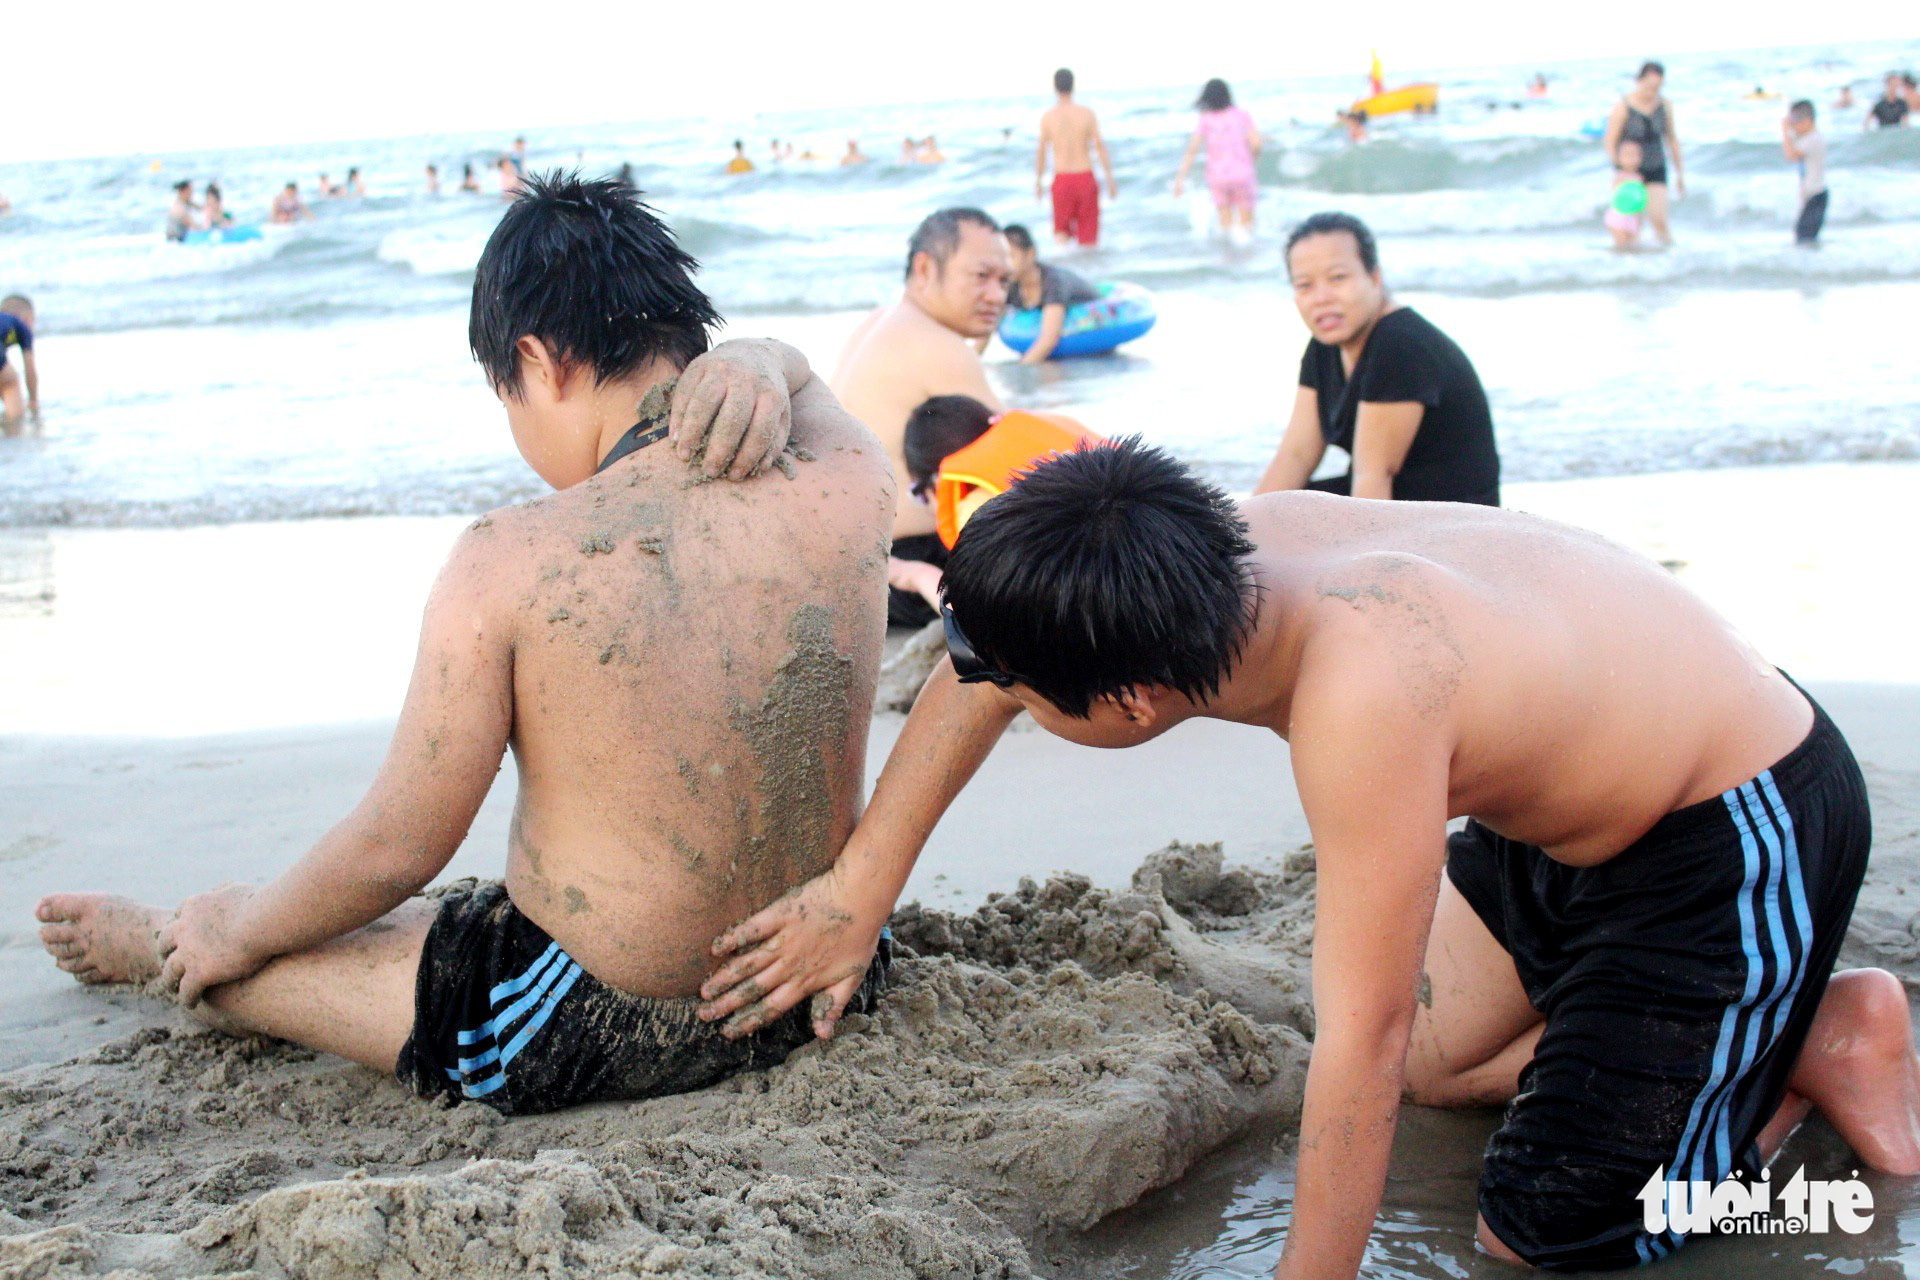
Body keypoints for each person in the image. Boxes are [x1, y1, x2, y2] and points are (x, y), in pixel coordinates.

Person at [697, 436, 1920, 1277]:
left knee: (1542, 1230)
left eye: (1025, 689)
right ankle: (1741, 1036)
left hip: (1732, 828)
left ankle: (1811, 1050)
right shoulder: (1191, 556)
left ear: (1130, 704)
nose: (993, 690)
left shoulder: (1363, 691)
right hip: (1569, 808)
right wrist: (857, 892)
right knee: (1441, 1061)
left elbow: (1357, 1035)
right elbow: (994, 652)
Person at [34, 173, 896, 1118]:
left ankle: (167, 940)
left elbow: (397, 845)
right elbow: (805, 380)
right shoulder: (849, 476)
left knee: (281, 954)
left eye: (507, 398)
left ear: (539, 362)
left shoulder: (512, 560)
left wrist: (241, 931)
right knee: (433, 922)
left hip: (604, 1021)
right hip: (830, 975)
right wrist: (763, 354)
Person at [831, 208, 1009, 628]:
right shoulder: (939, 344)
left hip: (852, 568)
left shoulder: (880, 323)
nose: (997, 296)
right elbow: (1016, 463)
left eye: (1005, 281)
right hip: (907, 565)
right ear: (925, 269)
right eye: (981, 276)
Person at [1255, 213, 1499, 506]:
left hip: (1452, 518)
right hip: (1398, 503)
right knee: (1282, 507)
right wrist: (1231, 529)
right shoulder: (1326, 346)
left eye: (1337, 278)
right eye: (1304, 285)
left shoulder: (1399, 345)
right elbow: (1295, 456)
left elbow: (1373, 476)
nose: (1321, 298)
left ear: (1374, 277)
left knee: (1293, 514)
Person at [890, 395, 1101, 611]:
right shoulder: (1055, 452)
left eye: (919, 495)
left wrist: (918, 575)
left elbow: (974, 617)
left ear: (937, 482)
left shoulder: (976, 512)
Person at [1602, 61, 1685, 245]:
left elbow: (1672, 139)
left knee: (1659, 220)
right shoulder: (1623, 106)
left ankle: (1669, 256)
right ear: (1638, 81)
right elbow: (1610, 140)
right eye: (1649, 86)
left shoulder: (1665, 106)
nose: (1652, 91)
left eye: (1657, 87)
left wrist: (1680, 174)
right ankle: (1634, 260)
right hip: (1630, 172)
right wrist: (1620, 168)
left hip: (1656, 167)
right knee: (1631, 227)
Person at [1173, 78, 1261, 243]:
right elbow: (1256, 143)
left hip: (1217, 176)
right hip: (1242, 173)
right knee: (1247, 227)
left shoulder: (1206, 119)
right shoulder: (1241, 115)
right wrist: (1251, 161)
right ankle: (1248, 255)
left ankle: (1229, 256)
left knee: (1226, 226)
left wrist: (1180, 180)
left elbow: (1192, 150)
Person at [1035, 68, 1115, 247]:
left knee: (1061, 236)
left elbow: (1041, 153)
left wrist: (1038, 182)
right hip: (1085, 178)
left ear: (1055, 87)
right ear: (1073, 86)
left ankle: (1064, 265)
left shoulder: (1048, 117)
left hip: (1062, 180)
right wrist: (1110, 178)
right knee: (1089, 240)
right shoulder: (1087, 114)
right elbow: (1100, 147)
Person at [1000, 223, 1099, 363]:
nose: (1005, 265)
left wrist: (1022, 368)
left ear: (1031, 254)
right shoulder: (1011, 284)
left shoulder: (1053, 282)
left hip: (1092, 326)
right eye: (1002, 258)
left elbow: (1049, 340)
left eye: (1011, 256)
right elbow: (987, 325)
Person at [1782, 100, 1828, 247]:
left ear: (1807, 121)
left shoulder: (1813, 139)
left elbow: (1790, 155)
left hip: (1816, 194)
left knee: (1805, 239)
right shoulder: (1808, 138)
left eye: (1795, 121)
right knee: (1803, 238)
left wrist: (1784, 130)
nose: (1793, 126)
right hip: (1811, 195)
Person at [0, 295, 39, 432]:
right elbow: (30, 369)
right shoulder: (21, 325)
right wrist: (33, 400)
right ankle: (13, 432)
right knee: (10, 384)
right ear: (27, 317)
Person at [1606, 138, 1647, 249]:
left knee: (1634, 246)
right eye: (1628, 155)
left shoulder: (1639, 177)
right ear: (1619, 158)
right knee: (1622, 246)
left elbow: (1640, 199)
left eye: (1636, 155)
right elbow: (1617, 196)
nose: (1632, 159)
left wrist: (1640, 219)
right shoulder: (1619, 177)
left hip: (1633, 218)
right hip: (1618, 217)